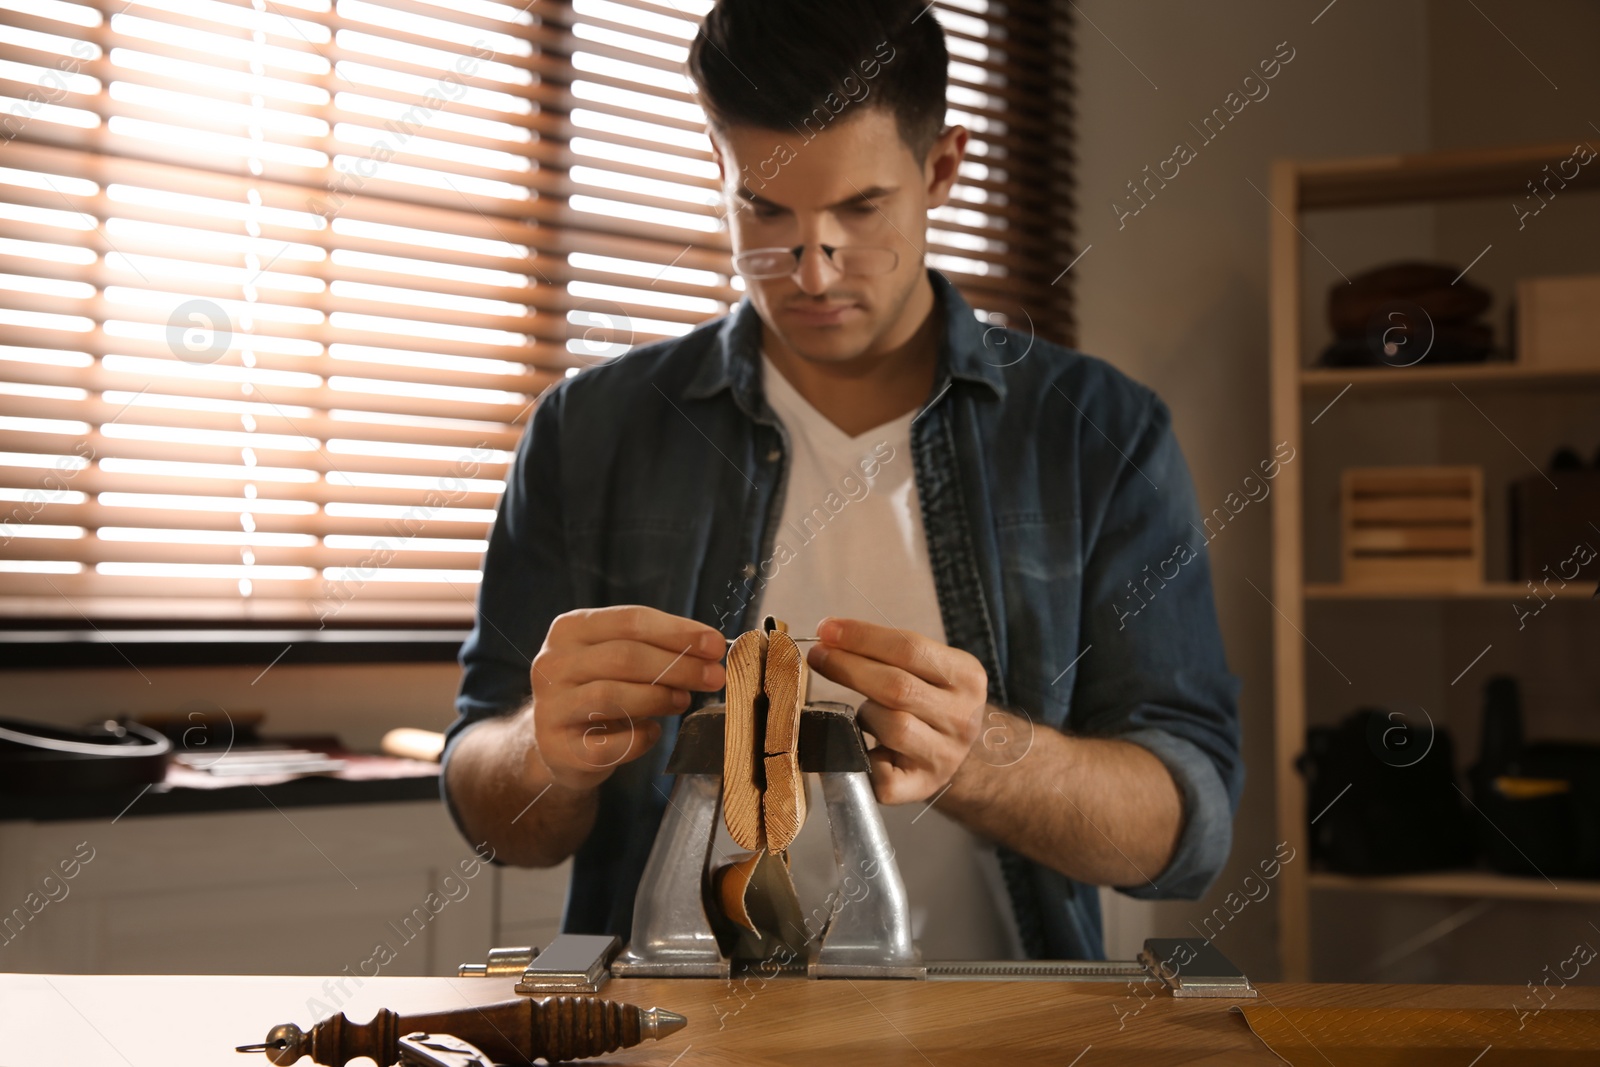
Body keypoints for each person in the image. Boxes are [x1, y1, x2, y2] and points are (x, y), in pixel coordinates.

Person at [441, 0, 1243, 961]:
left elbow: (1189, 833)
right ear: (718, 164)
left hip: (1003, 1031)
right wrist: (542, 750)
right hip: (671, 1029)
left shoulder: (1102, 434)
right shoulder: (588, 431)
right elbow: (491, 813)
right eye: (765, 209)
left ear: (942, 166)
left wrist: (984, 756)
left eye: (860, 211)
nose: (811, 270)